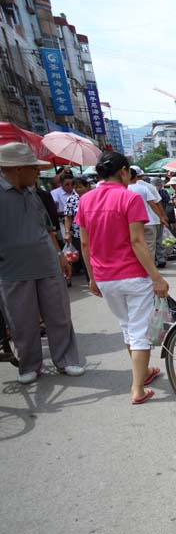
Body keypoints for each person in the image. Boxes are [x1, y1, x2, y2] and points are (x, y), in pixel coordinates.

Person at [76, 151, 170, 405]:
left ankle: (145, 372)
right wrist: (157, 277)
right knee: (140, 331)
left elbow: (84, 243)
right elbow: (137, 241)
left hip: (105, 277)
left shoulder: (85, 201)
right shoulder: (129, 198)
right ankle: (137, 388)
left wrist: (92, 277)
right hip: (132, 275)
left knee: (128, 327)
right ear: (125, 172)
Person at [0, 142, 84, 384]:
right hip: (13, 270)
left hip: (47, 264)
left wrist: (60, 257)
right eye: (33, 168)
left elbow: (47, 229)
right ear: (17, 169)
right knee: (22, 321)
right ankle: (29, 365)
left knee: (59, 316)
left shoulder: (33, 194)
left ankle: (66, 360)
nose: (37, 173)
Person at [128, 166, 169, 262]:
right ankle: (150, 268)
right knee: (150, 246)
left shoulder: (123, 189)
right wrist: (162, 217)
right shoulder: (147, 187)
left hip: (131, 223)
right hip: (150, 221)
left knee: (134, 245)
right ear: (140, 175)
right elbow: (155, 204)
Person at [62, 177, 92, 278]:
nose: (78, 189)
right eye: (76, 187)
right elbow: (68, 217)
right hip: (78, 234)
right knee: (85, 257)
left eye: (80, 187)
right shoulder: (71, 199)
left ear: (87, 186)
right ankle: (90, 279)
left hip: (94, 232)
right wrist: (67, 232)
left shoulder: (93, 197)